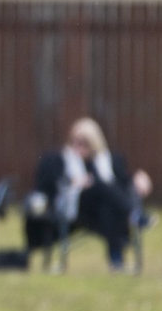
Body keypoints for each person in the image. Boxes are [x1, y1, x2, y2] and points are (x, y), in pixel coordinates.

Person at [26, 116, 153, 271]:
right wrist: (75, 182)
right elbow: (50, 184)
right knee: (100, 187)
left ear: (95, 143)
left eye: (84, 143)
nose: (78, 146)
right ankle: (134, 215)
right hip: (74, 207)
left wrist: (138, 177)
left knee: (108, 205)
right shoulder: (61, 159)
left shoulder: (107, 160)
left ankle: (116, 261)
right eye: (74, 141)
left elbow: (122, 180)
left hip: (102, 211)